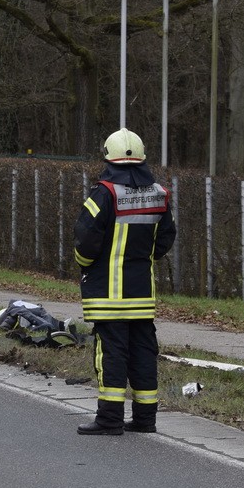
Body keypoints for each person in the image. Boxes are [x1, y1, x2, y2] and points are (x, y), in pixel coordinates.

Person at [73, 128, 176, 435]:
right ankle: (146, 419)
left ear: (108, 157)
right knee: (144, 354)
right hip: (142, 293)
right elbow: (165, 238)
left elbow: (85, 242)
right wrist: (144, 259)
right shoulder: (159, 193)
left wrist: (85, 265)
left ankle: (109, 419)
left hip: (108, 294)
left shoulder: (104, 193)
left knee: (111, 355)